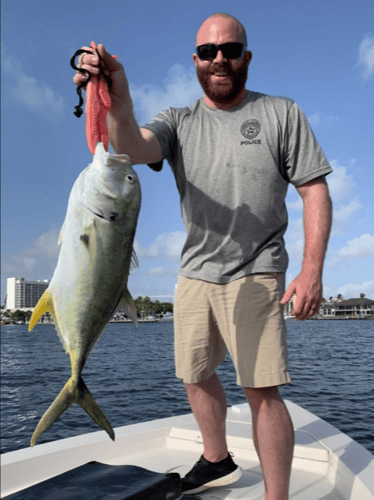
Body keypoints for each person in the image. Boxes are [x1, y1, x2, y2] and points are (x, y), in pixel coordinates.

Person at [74, 13, 333, 499]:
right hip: (194, 272)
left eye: (230, 50)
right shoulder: (178, 121)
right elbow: (130, 147)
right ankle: (216, 460)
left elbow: (314, 190)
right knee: (194, 372)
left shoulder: (282, 112)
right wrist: (117, 93)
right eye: (209, 52)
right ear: (195, 61)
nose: (220, 59)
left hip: (256, 270)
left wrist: (311, 268)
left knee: (261, 389)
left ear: (246, 58)